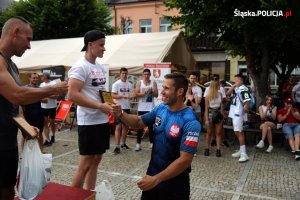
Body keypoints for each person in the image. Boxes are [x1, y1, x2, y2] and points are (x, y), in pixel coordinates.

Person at [0, 16, 67, 200]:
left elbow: (16, 105)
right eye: (28, 39)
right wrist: (51, 89)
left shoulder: (11, 64)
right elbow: (17, 94)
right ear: (15, 32)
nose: (29, 46)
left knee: (8, 190)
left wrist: (25, 127)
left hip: (8, 144)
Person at [112, 72, 201, 200]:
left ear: (180, 91)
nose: (162, 92)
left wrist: (156, 179)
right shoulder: (161, 109)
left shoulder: (190, 122)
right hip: (152, 176)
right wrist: (120, 114)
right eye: (162, 87)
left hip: (174, 185)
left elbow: (185, 160)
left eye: (166, 88)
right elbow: (138, 122)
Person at [67, 30, 114, 189]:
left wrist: (110, 103)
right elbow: (72, 95)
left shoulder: (99, 67)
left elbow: (101, 92)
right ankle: (74, 196)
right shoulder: (80, 67)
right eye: (101, 45)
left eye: (104, 45)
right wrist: (100, 106)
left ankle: (90, 193)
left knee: (96, 160)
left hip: (101, 119)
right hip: (88, 121)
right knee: (85, 164)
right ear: (90, 45)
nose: (104, 49)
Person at [226, 74, 251, 162]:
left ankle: (244, 154)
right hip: (234, 112)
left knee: (239, 132)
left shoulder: (243, 88)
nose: (235, 81)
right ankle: (241, 150)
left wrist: (246, 108)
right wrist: (233, 86)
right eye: (235, 80)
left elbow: (248, 100)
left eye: (237, 80)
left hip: (238, 113)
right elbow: (228, 94)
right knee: (237, 131)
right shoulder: (236, 88)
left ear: (241, 81)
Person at [111, 67, 136, 154]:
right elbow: (113, 96)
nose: (124, 75)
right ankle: (117, 146)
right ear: (120, 74)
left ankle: (123, 143)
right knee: (118, 127)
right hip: (118, 107)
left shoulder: (129, 84)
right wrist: (122, 96)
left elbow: (132, 94)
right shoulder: (116, 84)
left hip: (127, 107)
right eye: (123, 73)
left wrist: (133, 95)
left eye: (126, 74)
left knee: (126, 127)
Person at [134, 68, 158, 151]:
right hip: (141, 107)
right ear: (142, 75)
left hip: (151, 108)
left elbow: (156, 94)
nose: (147, 76)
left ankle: (152, 143)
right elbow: (136, 94)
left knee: (151, 127)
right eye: (145, 74)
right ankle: (138, 144)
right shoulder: (139, 83)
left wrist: (151, 90)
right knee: (139, 126)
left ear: (150, 75)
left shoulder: (153, 83)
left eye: (148, 74)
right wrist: (144, 92)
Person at [21, 73, 46, 151]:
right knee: (26, 134)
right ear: (29, 78)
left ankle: (41, 149)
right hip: (28, 114)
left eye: (36, 78)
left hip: (38, 113)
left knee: (40, 132)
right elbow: (22, 101)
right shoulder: (25, 88)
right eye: (33, 78)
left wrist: (32, 98)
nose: (35, 79)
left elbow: (45, 100)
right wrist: (38, 98)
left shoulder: (39, 88)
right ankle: (24, 151)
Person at [204, 77, 225, 157]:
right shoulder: (207, 96)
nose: (220, 86)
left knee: (218, 133)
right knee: (209, 133)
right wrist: (206, 119)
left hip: (218, 113)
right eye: (218, 84)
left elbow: (222, 105)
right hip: (210, 113)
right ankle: (207, 148)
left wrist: (222, 115)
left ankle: (218, 149)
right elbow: (206, 108)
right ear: (215, 85)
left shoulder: (220, 94)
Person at [40, 72, 58, 146]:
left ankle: (53, 135)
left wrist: (46, 94)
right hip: (43, 106)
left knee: (52, 122)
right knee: (45, 123)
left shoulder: (53, 84)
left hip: (52, 106)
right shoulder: (41, 85)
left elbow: (56, 96)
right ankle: (47, 139)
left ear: (46, 77)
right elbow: (40, 95)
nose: (41, 77)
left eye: (42, 76)